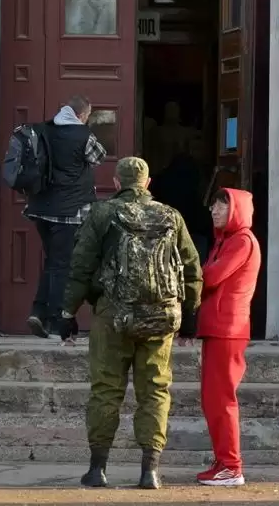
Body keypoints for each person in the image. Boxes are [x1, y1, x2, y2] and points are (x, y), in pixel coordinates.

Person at [59, 157, 202, 490]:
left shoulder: (103, 213)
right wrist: (191, 316)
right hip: (160, 316)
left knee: (106, 390)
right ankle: (150, 469)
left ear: (115, 180)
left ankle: (97, 469)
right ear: (148, 183)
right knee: (154, 390)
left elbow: (80, 265)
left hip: (113, 315)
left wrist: (68, 313)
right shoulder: (171, 215)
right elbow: (192, 267)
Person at [181, 188, 261, 487]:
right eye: (213, 204)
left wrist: (194, 274)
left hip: (228, 329)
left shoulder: (241, 241)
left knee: (221, 400)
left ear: (237, 209)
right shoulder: (225, 241)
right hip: (219, 328)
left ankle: (231, 466)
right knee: (213, 400)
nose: (214, 210)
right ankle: (223, 461)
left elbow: (212, 278)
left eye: (222, 205)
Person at [23, 95, 106, 338]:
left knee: (52, 261)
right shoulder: (82, 135)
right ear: (82, 115)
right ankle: (56, 320)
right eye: (87, 116)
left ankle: (38, 311)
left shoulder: (44, 130)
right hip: (68, 212)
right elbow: (99, 157)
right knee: (63, 265)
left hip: (41, 210)